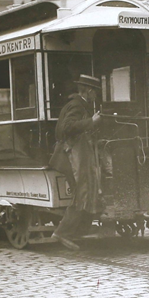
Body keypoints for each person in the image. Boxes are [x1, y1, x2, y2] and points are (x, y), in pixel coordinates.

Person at [49, 74, 105, 250]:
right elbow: (67, 127)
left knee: (86, 192)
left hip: (75, 156)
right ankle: (62, 232)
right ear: (88, 91)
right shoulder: (76, 105)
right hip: (70, 157)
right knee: (82, 193)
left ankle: (78, 230)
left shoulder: (80, 104)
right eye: (94, 92)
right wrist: (92, 121)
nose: (95, 96)